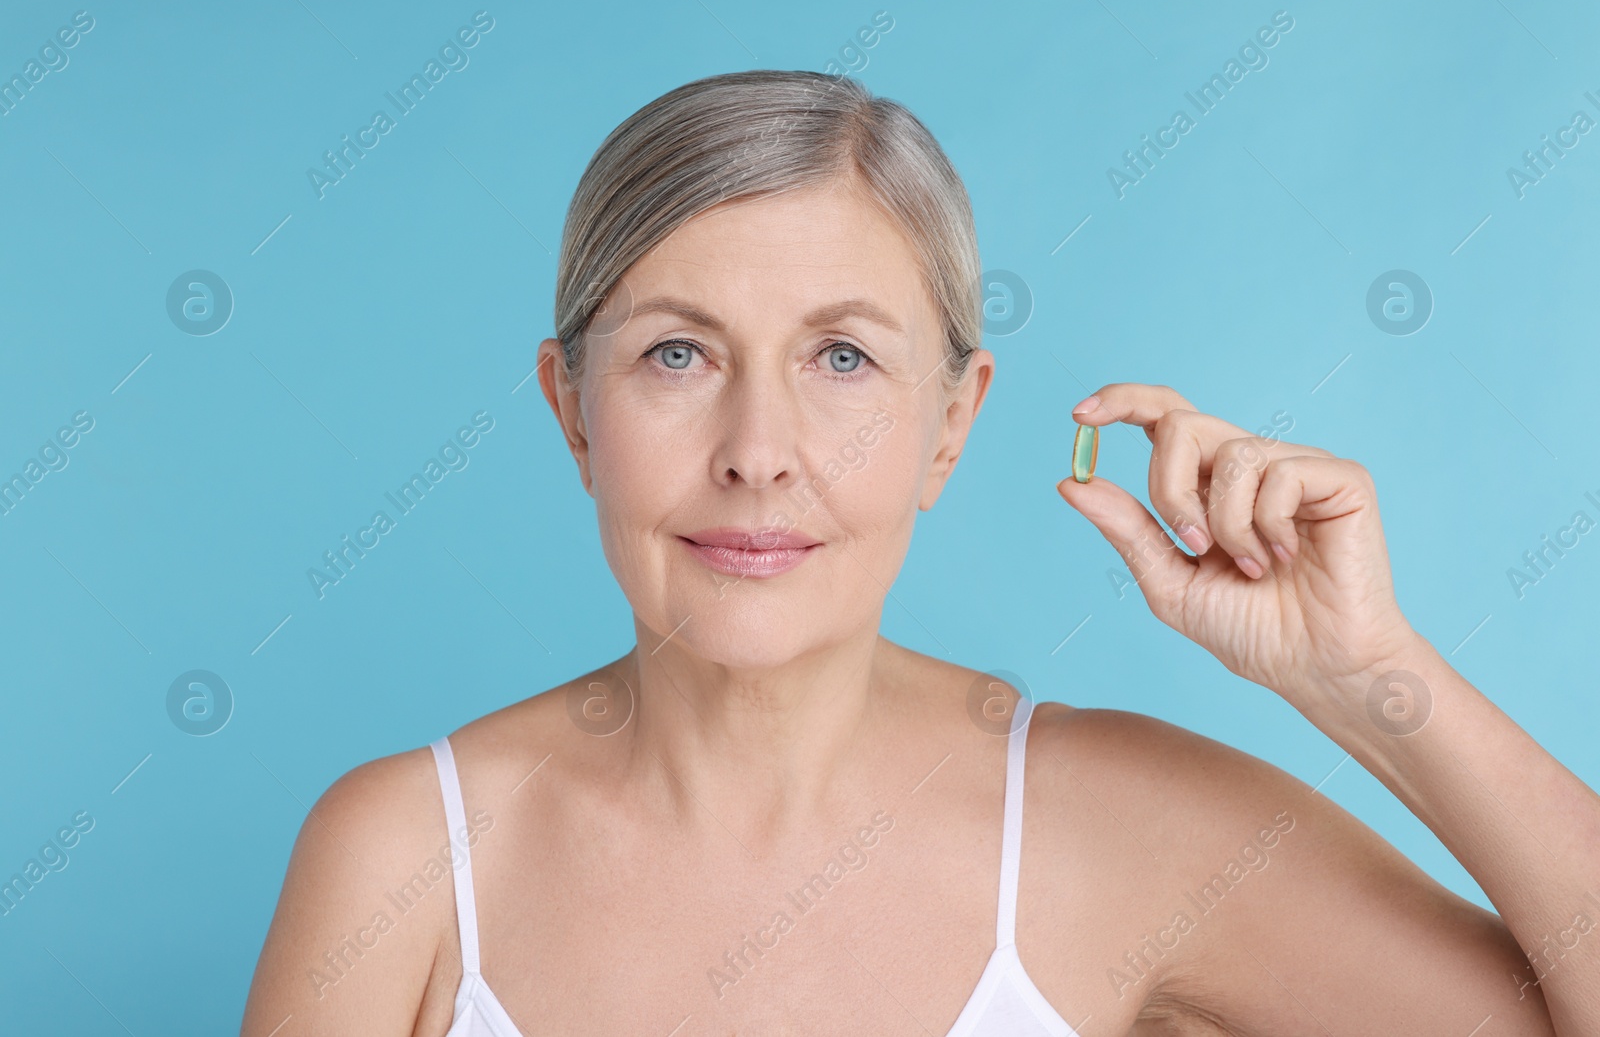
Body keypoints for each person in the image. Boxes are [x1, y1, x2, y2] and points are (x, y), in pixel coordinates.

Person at [241, 69, 1599, 1036]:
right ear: (572, 414)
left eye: (842, 357)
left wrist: (1370, 677)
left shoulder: (1119, 831)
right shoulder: (403, 861)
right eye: (676, 353)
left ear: (953, 424)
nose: (758, 450)